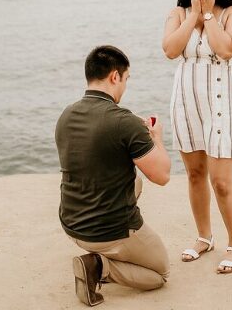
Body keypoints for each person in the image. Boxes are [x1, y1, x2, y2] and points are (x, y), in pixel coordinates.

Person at [55, 45, 171, 306]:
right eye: (126, 79)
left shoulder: (66, 115)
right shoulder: (124, 121)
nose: (125, 86)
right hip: (107, 231)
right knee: (159, 273)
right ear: (115, 77)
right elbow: (162, 175)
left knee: (133, 179)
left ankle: (101, 253)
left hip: (72, 223)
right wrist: (157, 139)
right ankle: (99, 266)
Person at [162, 0, 232, 274]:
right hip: (185, 103)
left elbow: (226, 50)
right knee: (196, 175)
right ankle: (204, 237)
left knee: (222, 182)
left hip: (221, 103)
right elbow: (171, 50)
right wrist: (192, 17)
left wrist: (209, 16)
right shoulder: (177, 13)